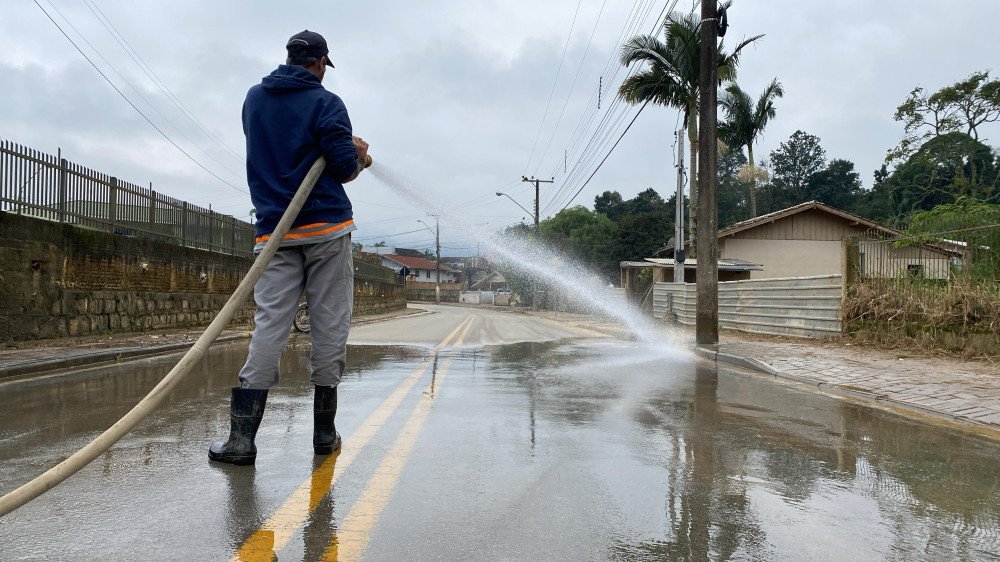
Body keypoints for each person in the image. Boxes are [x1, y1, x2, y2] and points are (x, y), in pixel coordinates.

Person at [209, 30, 370, 465]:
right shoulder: (326, 103)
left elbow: (273, 150)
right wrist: (358, 155)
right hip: (326, 229)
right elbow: (341, 168)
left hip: (273, 232)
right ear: (319, 62)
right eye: (323, 66)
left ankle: (241, 442)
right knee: (329, 324)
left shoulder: (254, 99)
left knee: (269, 328)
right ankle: (323, 434)